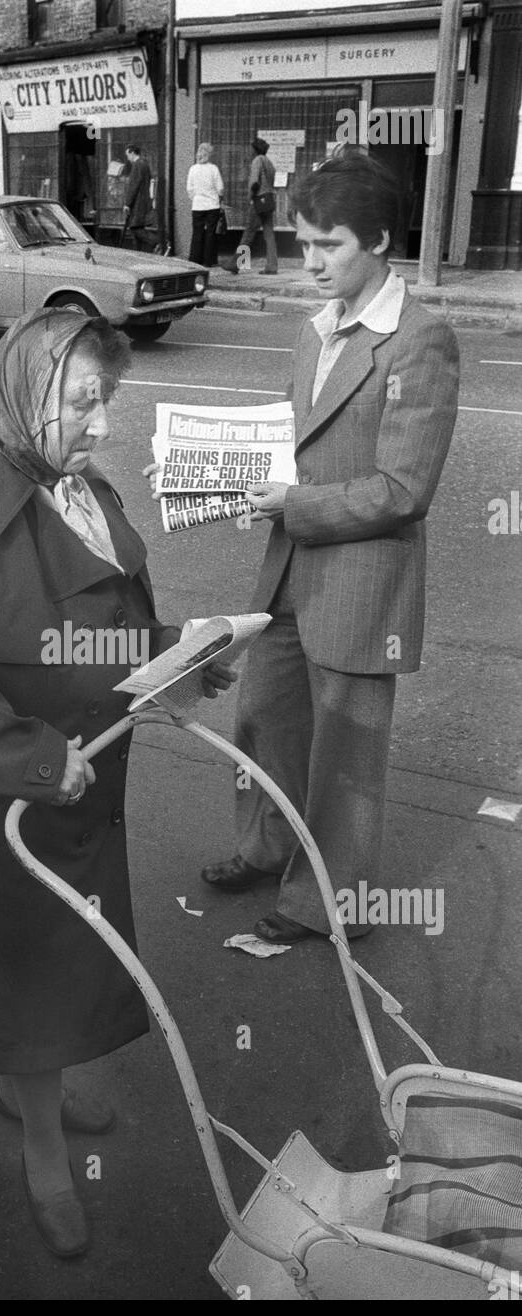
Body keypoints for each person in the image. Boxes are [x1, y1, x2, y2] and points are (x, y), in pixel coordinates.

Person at [0, 307, 234, 1258]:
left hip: (77, 776)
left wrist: (177, 654)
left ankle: (37, 1080)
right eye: (81, 402)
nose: (101, 422)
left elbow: (92, 619)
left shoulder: (77, 489)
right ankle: (41, 1151)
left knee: (65, 955)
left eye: (105, 399)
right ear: (28, 397)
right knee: (26, 974)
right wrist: (25, 754)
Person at [201, 150, 459, 944]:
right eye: (302, 241)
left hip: (359, 586)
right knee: (264, 721)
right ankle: (265, 847)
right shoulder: (316, 330)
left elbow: (401, 490)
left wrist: (295, 505)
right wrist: (213, 473)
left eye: (327, 245)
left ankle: (326, 904)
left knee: (343, 758)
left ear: (378, 239)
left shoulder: (419, 341)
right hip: (286, 573)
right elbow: (290, 438)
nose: (308, 262)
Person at [229, 137, 278, 276]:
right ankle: (272, 266)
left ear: (255, 150)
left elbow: (254, 181)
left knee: (248, 233)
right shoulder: (269, 163)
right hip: (269, 200)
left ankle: (236, 264)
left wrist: (251, 197)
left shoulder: (257, 160)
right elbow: (272, 181)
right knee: (269, 235)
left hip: (259, 200)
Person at [186, 143, 224, 268]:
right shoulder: (213, 168)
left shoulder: (193, 169)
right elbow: (220, 188)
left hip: (197, 205)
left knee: (197, 232)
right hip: (212, 205)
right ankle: (209, 260)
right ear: (209, 154)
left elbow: (189, 189)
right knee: (210, 233)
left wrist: (196, 198)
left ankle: (195, 259)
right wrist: (219, 197)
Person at [122, 144, 153, 251]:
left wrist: (127, 203)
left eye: (127, 155)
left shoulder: (137, 165)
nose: (127, 158)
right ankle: (138, 251)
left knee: (135, 228)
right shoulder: (145, 164)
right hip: (144, 201)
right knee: (138, 228)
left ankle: (157, 243)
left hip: (138, 203)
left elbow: (133, 185)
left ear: (132, 153)